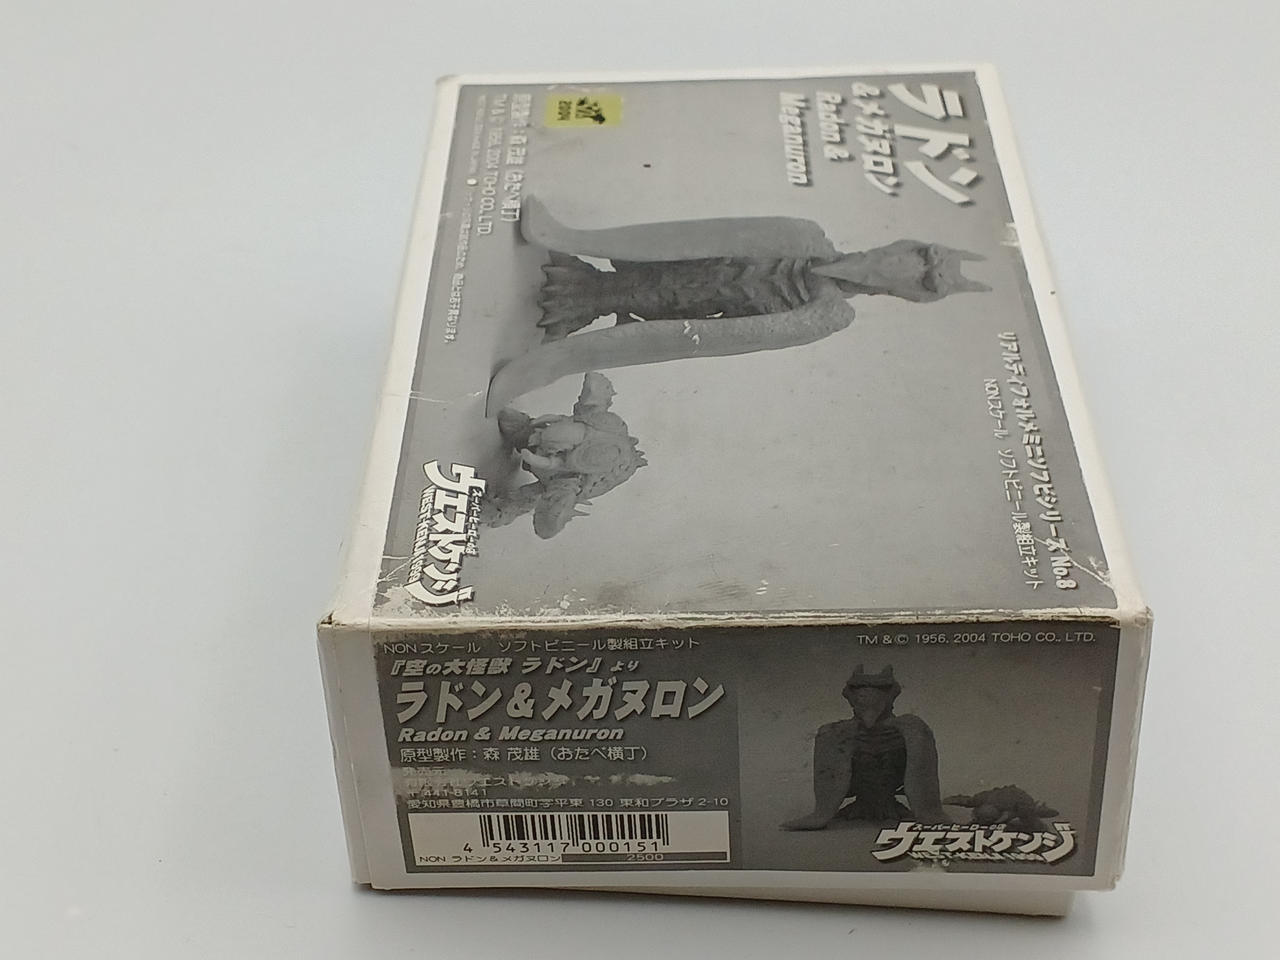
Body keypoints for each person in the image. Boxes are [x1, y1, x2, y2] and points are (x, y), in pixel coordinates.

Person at [486, 197, 990, 414]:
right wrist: (572, 238)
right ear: (903, 245)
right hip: (646, 272)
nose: (909, 268)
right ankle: (581, 272)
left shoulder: (829, 315)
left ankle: (566, 332)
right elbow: (694, 237)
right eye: (920, 256)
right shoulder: (803, 236)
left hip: (675, 308)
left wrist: (559, 361)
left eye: (924, 279)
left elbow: (710, 339)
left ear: (910, 295)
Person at [781, 664, 945, 830]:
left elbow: (920, 767)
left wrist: (929, 811)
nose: (868, 696)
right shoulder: (833, 733)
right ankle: (844, 808)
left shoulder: (914, 728)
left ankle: (910, 808)